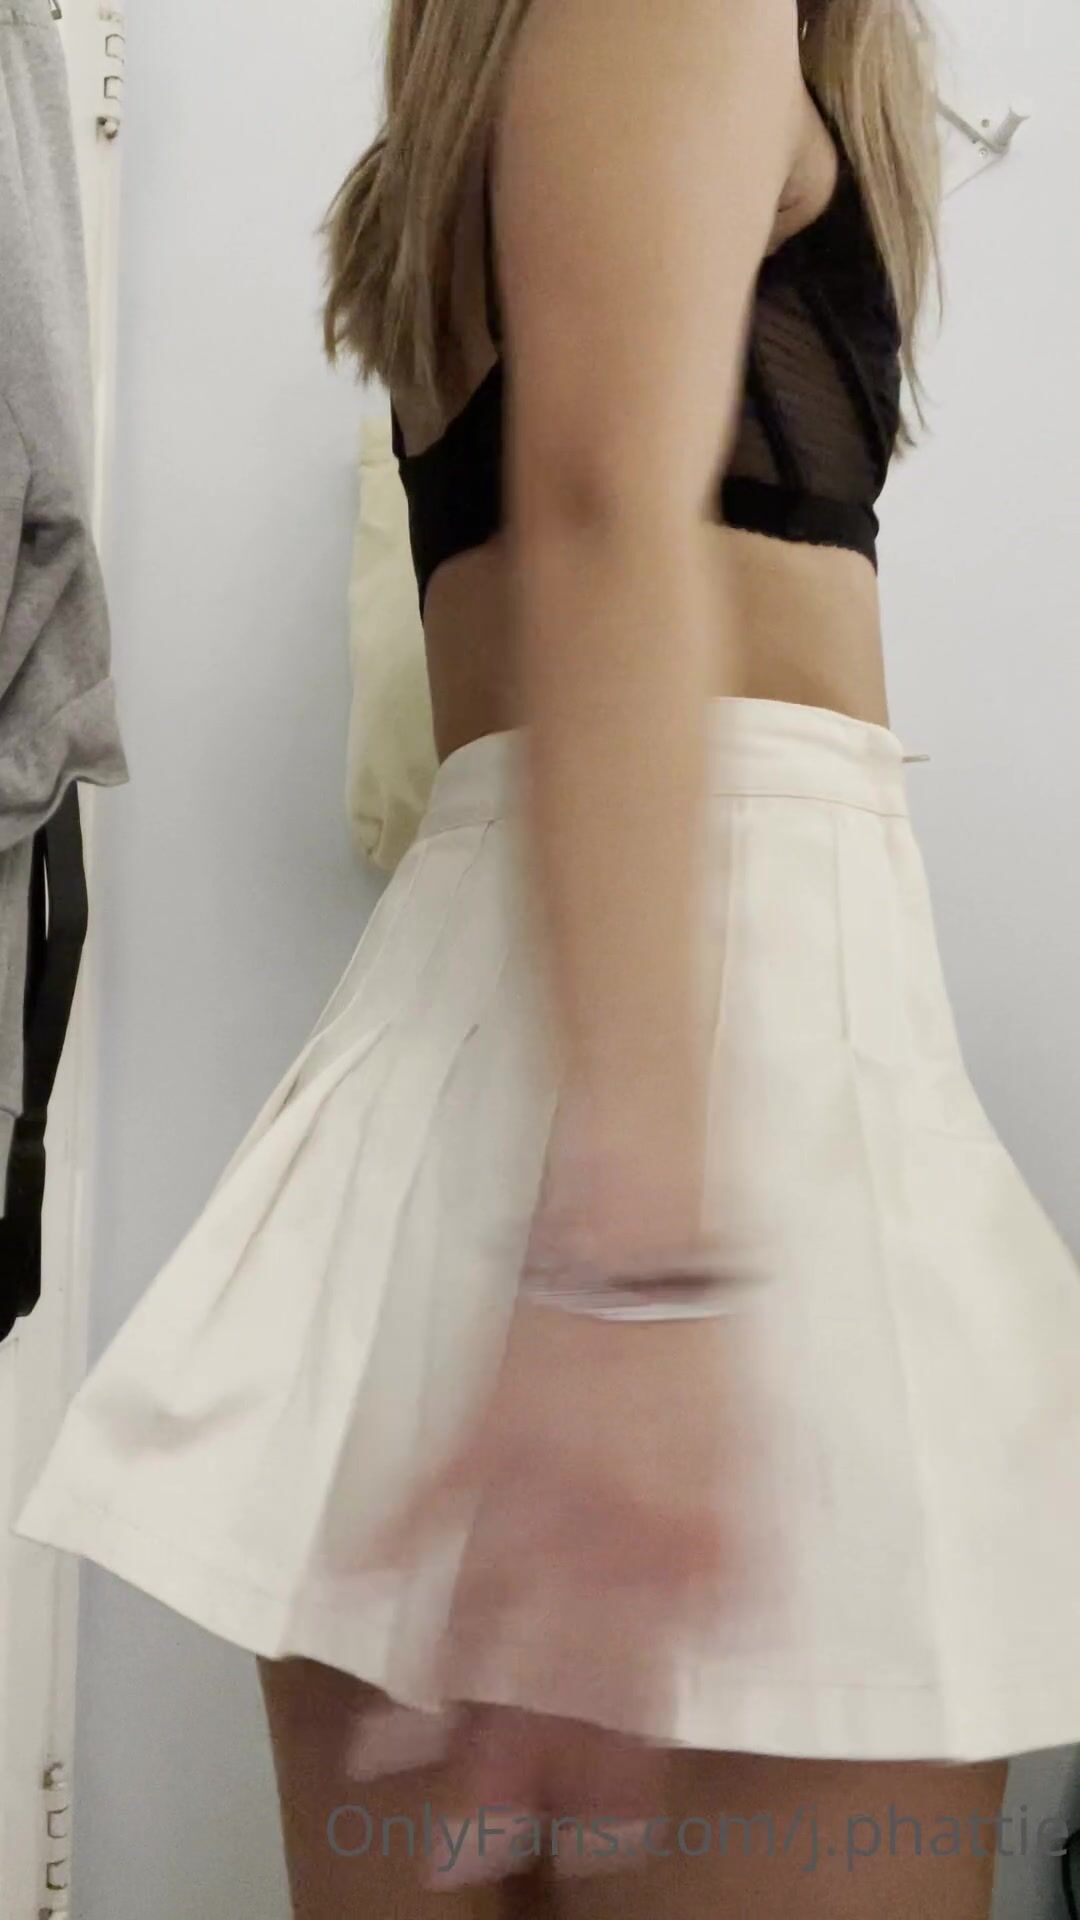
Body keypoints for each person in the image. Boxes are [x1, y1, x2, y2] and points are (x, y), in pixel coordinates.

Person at [15, 0, 1080, 1914]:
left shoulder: (525, 87)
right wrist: (633, 1281)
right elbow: (599, 521)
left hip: (471, 1080)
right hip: (725, 1050)